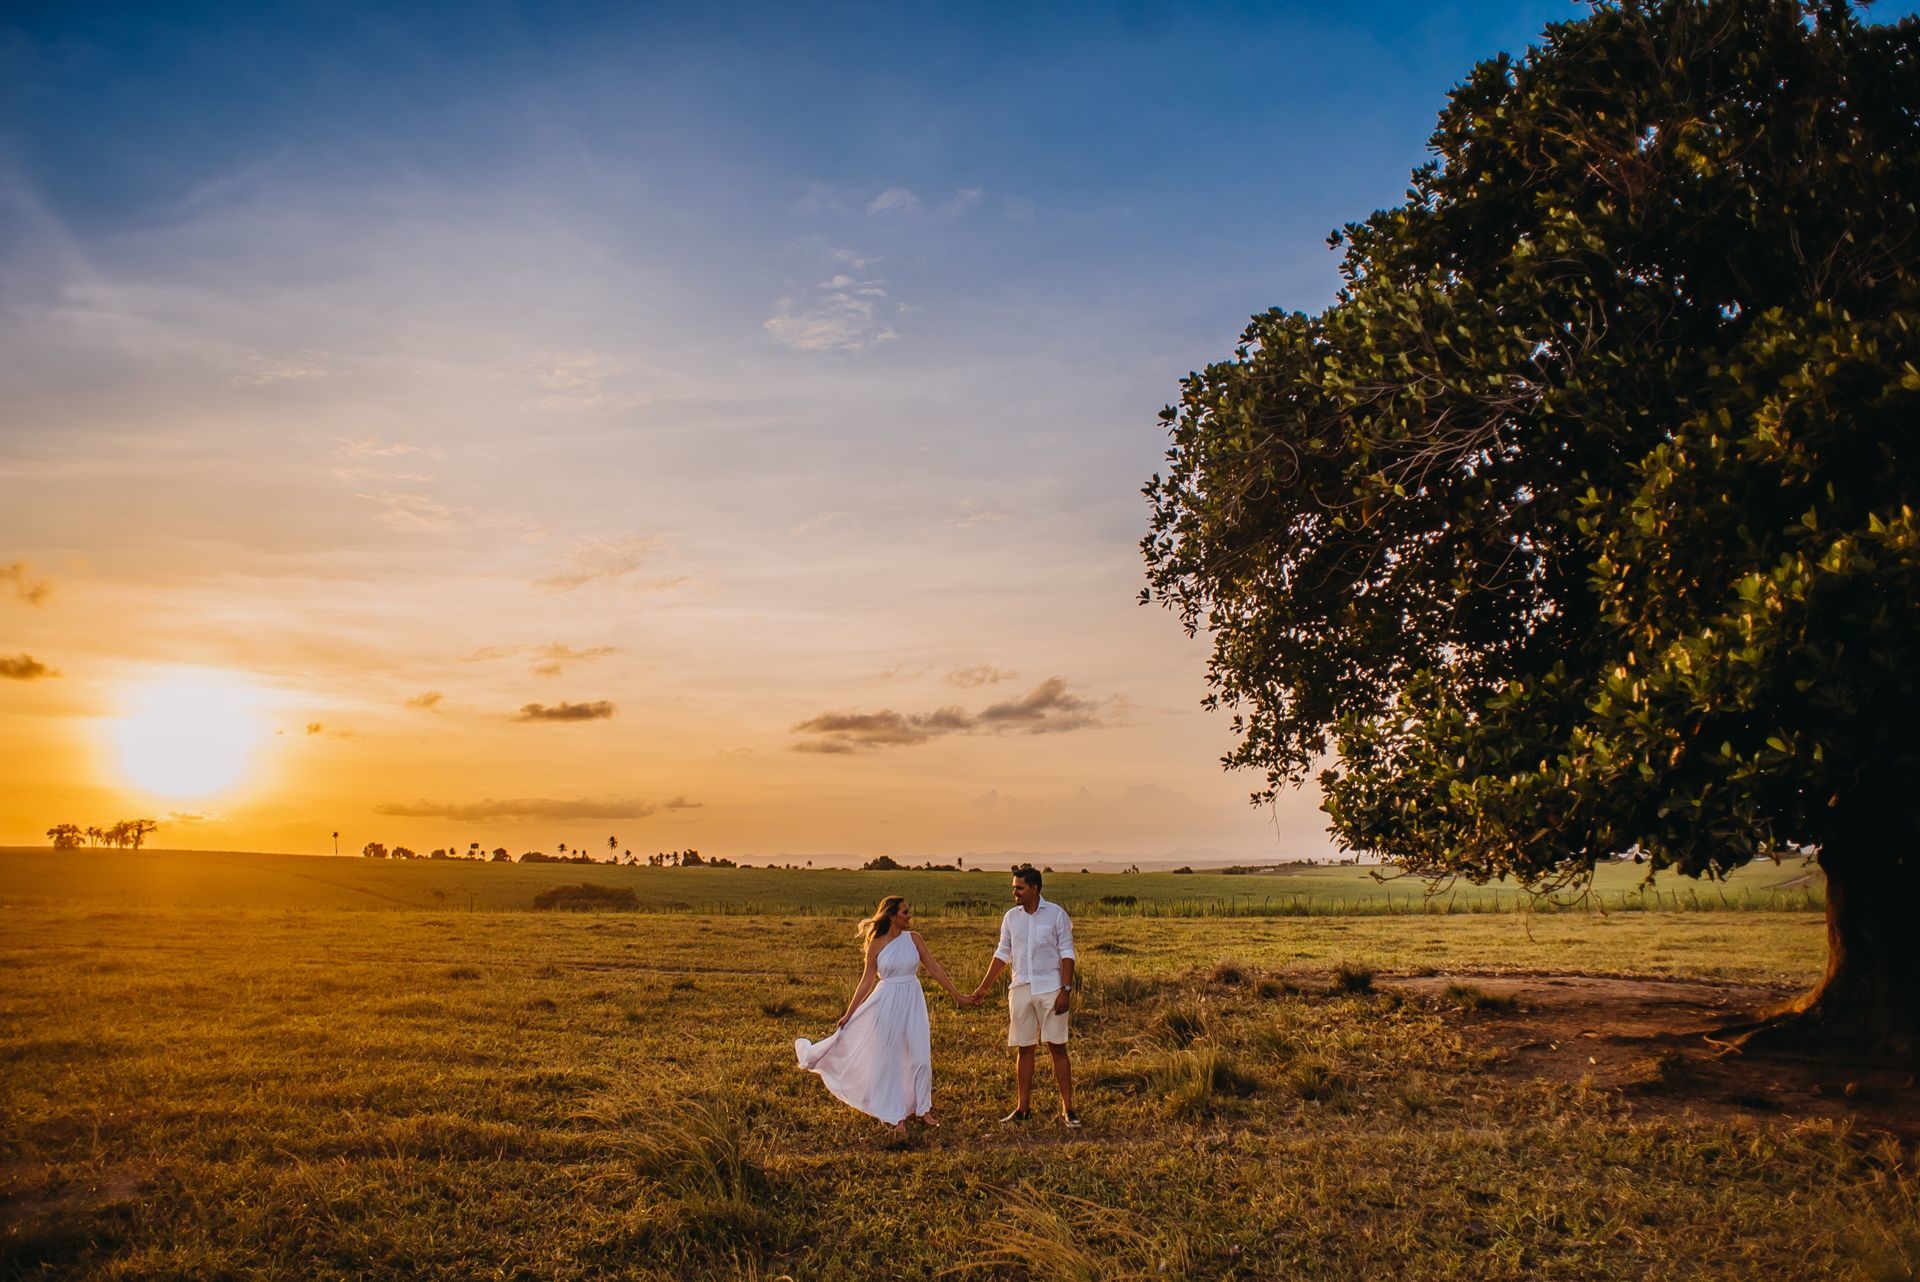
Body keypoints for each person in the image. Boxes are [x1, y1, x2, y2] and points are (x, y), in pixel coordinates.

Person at [795, 895, 974, 1137]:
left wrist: (957, 995)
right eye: (905, 912)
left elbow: (933, 968)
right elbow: (866, 981)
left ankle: (923, 1109)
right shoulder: (876, 944)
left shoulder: (914, 939)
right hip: (886, 1003)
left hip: (912, 1000)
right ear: (891, 916)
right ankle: (895, 1114)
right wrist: (849, 1013)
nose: (909, 916)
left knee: (921, 1056)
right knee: (891, 1058)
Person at [970, 866, 1079, 1127]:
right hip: (1020, 989)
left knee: (1057, 1047)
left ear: (1034, 889)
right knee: (1024, 1047)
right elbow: (1002, 953)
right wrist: (983, 988)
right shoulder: (1011, 918)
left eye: (1019, 888)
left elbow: (1067, 953)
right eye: (1013, 888)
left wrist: (1065, 990)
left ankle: (1068, 1109)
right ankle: (1023, 1109)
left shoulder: (1056, 915)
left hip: (1051, 989)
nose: (1014, 893)